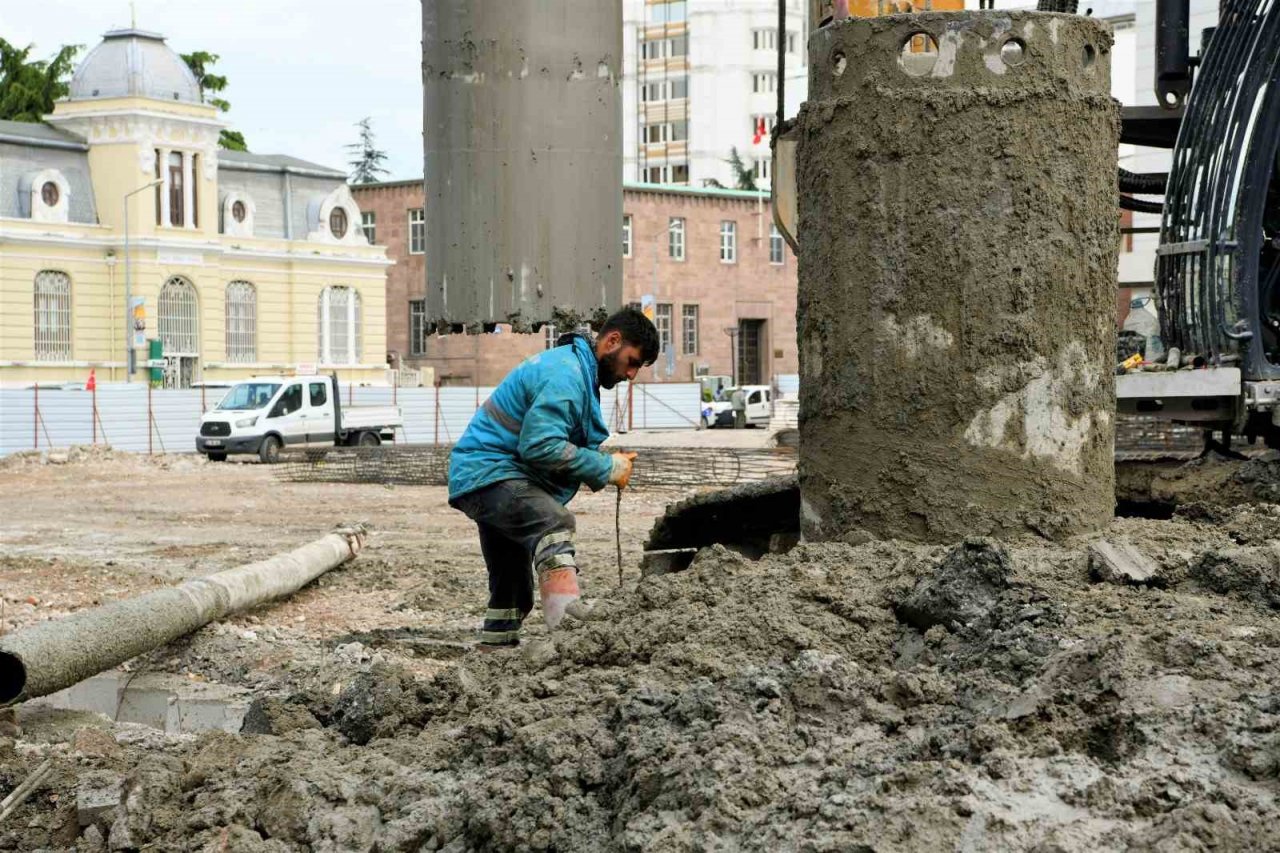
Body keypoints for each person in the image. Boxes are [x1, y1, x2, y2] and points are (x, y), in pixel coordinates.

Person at [448, 308, 660, 650]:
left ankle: (495, 646)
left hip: (485, 473)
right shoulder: (567, 374)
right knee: (552, 522)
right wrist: (606, 468)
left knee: (512, 578)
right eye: (632, 361)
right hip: (490, 472)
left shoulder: (573, 369)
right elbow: (541, 446)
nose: (632, 374)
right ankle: (567, 634)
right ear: (613, 341)